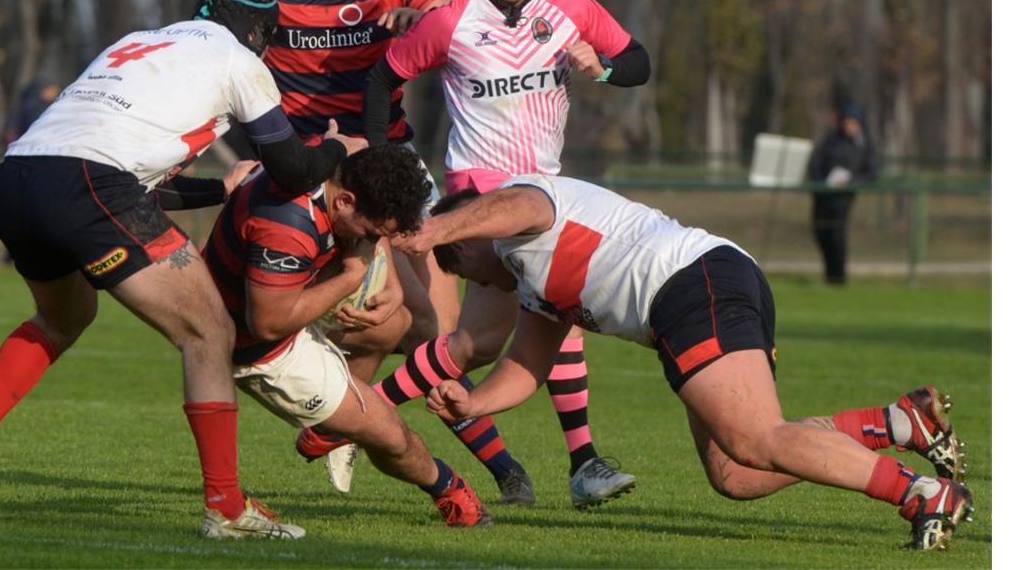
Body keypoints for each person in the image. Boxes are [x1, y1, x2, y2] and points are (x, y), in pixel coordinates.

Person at [0, 0, 366, 539]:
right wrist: (337, 146)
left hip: (15, 179)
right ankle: (227, 509)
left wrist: (218, 191)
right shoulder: (240, 61)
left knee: (65, 316)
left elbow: (122, 173)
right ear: (260, 30)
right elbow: (289, 171)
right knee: (209, 332)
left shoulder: (136, 42)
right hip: (88, 184)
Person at [405, 174, 972, 551]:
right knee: (738, 474)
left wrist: (433, 228)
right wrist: (473, 401)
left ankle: (922, 494)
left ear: (468, 239)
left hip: (692, 285)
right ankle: (901, 422)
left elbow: (517, 205)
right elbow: (526, 365)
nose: (485, 289)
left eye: (474, 277)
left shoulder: (521, 206)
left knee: (755, 439)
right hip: (697, 294)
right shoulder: (532, 282)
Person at [252, 0, 535, 505]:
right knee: (371, 319)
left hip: (396, 169)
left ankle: (479, 461)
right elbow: (233, 65)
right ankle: (466, 459)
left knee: (431, 331)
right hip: (313, 178)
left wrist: (421, 19)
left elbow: (458, 21)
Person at [362, 0, 652, 508]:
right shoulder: (451, 20)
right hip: (478, 197)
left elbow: (639, 62)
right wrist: (381, 156)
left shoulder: (570, 7)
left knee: (506, 332)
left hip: (545, 194)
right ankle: (582, 464)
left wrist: (600, 70)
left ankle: (363, 412)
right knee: (530, 320)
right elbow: (383, 78)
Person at [202, 144, 491, 526]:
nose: (369, 242)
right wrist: (352, 277)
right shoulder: (288, 227)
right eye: (370, 232)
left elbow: (355, 148)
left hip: (276, 311)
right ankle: (448, 489)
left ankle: (338, 427)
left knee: (393, 323)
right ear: (346, 201)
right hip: (261, 348)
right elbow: (268, 324)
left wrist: (391, 281)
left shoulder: (330, 168)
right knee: (387, 432)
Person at [808, 102, 877, 285]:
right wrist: (821, 183)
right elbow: (815, 163)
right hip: (823, 194)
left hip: (843, 197)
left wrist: (851, 182)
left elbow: (871, 172)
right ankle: (830, 273)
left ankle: (838, 277)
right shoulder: (831, 140)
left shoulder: (864, 144)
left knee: (837, 235)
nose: (849, 126)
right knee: (821, 232)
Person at [1, 81, 62, 147]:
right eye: (52, 91)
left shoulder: (51, 106)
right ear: (44, 91)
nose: (55, 95)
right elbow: (15, 121)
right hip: (28, 141)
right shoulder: (32, 105)